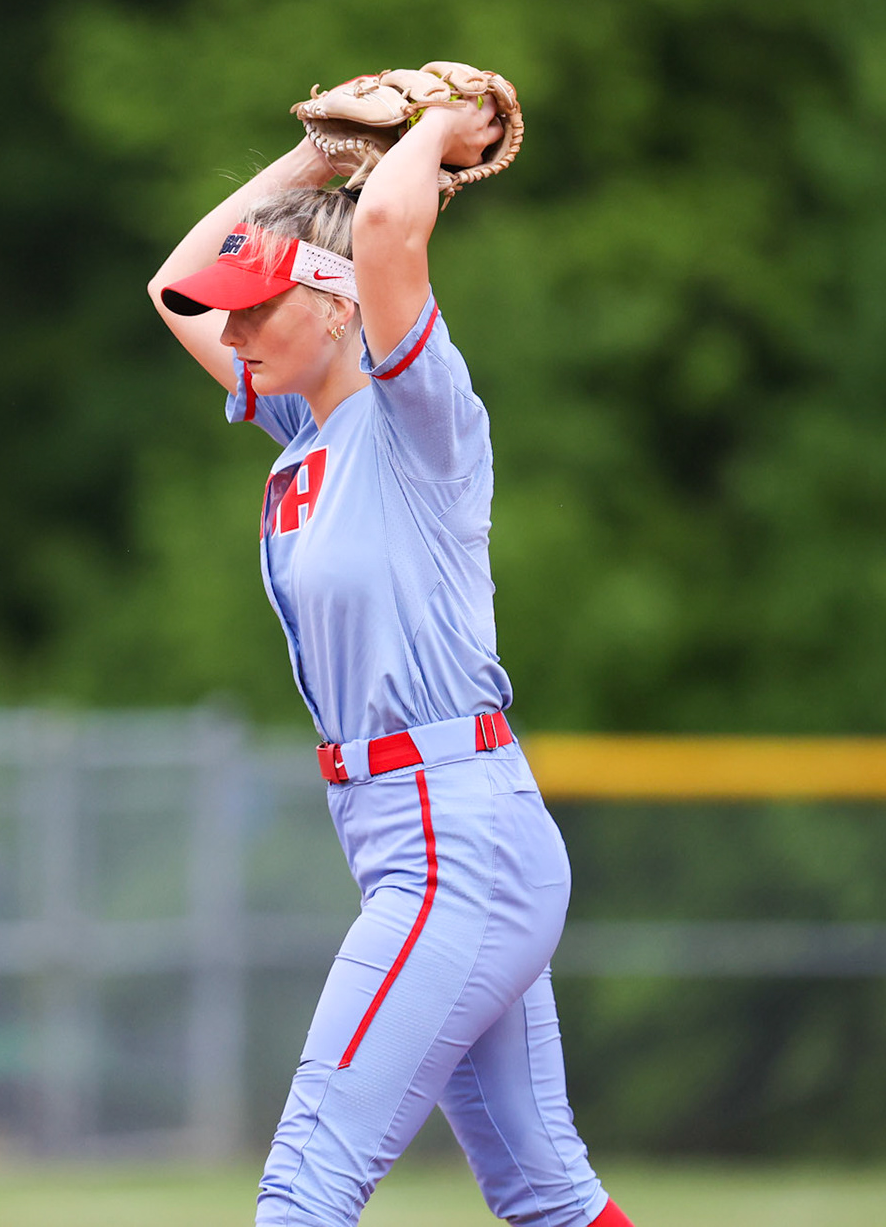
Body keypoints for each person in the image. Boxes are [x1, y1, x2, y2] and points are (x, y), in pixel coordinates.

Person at [147, 99, 633, 1227]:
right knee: (544, 1189)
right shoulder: (300, 428)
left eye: (263, 304)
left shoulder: (419, 416)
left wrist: (435, 126)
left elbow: (388, 241)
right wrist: (319, 159)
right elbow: (178, 282)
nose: (241, 328)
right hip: (412, 832)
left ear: (332, 297)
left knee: (306, 1183)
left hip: (454, 836)